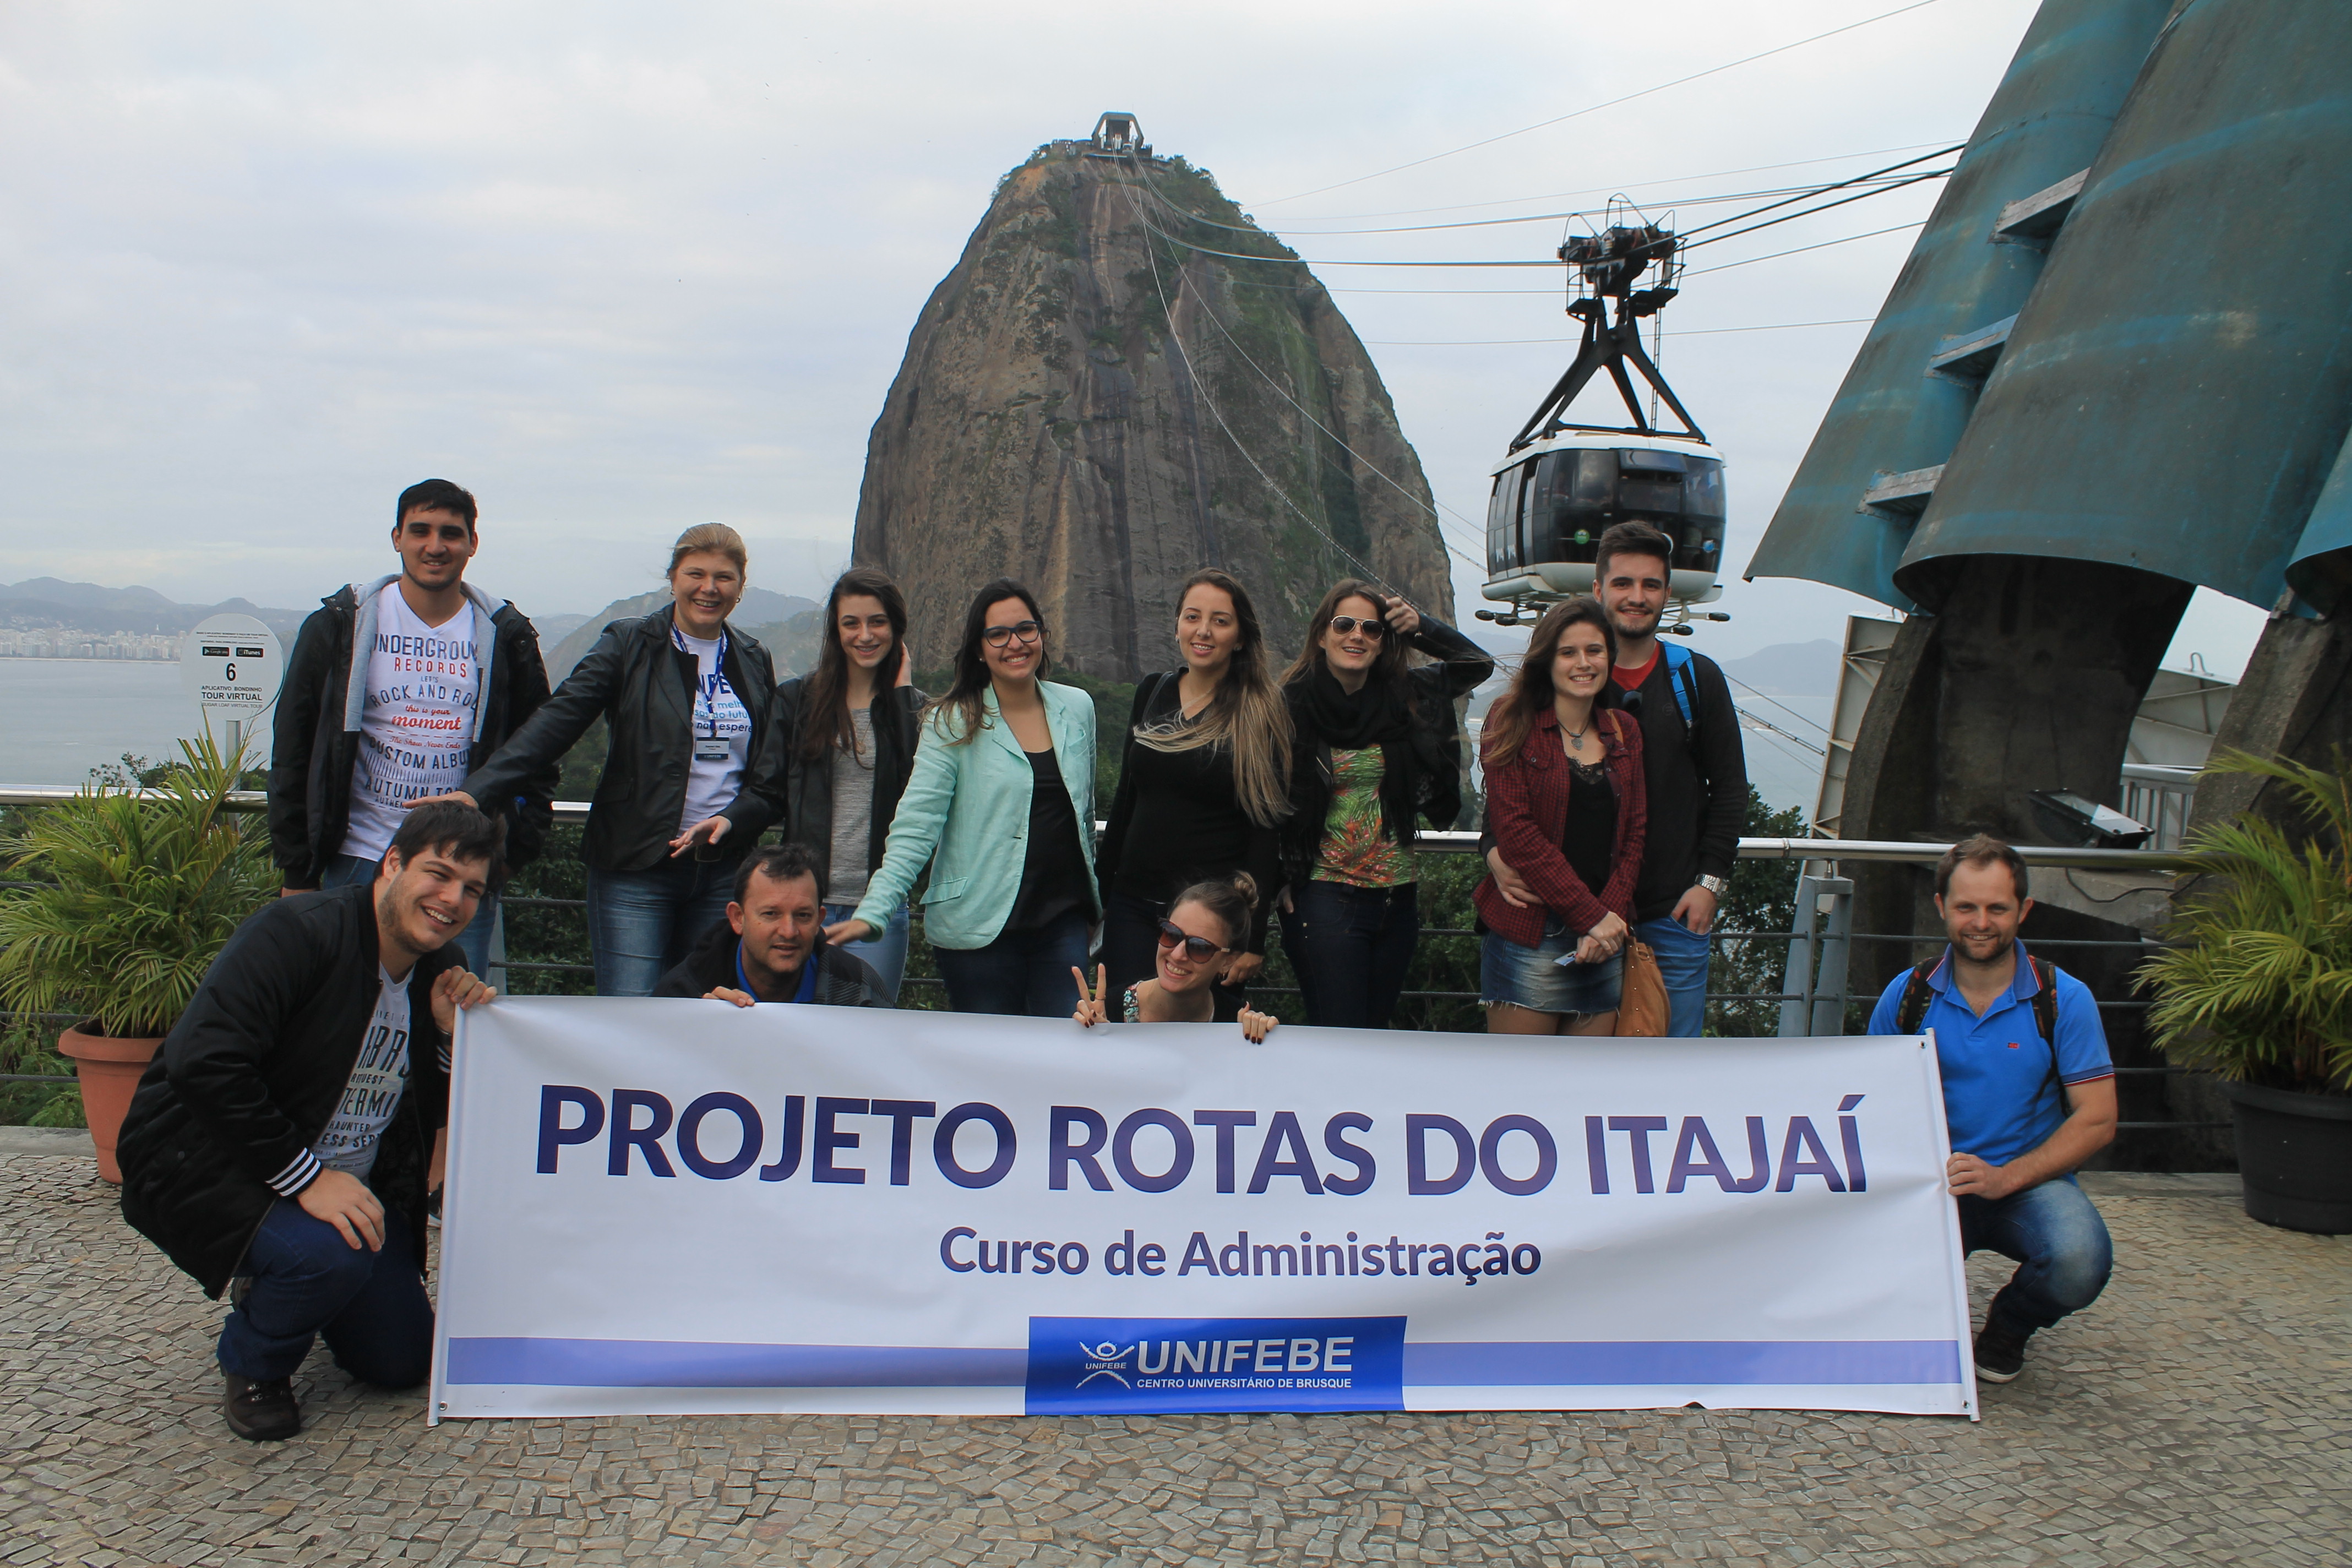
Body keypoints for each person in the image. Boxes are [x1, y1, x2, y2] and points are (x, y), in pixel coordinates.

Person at [114, 802, 503, 1442]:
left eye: (472, 889)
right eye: (438, 874)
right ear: (393, 862)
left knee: (400, 1361)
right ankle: (255, 1363)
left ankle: (291, 1276)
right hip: (216, 1164)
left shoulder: (442, 964)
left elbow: (415, 1116)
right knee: (326, 1257)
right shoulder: (298, 931)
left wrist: (444, 1038)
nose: (452, 899)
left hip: (346, 1180)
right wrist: (308, 1180)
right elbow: (202, 1060)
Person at [419, 524, 786, 996]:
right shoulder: (630, 644)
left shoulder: (753, 658)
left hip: (722, 869)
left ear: (740, 587)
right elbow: (559, 720)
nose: (709, 588)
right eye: (696, 573)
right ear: (673, 578)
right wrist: (479, 790)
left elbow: (767, 775)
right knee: (630, 1012)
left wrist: (732, 820)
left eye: (724, 577)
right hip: (636, 868)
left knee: (708, 1014)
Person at [269, 477, 555, 976]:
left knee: (452, 1014)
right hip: (355, 855)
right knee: (337, 1006)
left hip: (460, 864)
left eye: (451, 533)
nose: (435, 546)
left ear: (472, 544)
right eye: (420, 530)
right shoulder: (342, 626)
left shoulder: (505, 636)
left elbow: (539, 747)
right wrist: (298, 870)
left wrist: (513, 853)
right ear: (397, 537)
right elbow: (293, 748)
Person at [1866, 834, 2117, 1384]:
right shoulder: (1906, 995)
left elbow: (2097, 1117)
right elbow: (1868, 1100)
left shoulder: (2063, 998)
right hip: (1928, 1186)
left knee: (2079, 1260)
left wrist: (2007, 1177)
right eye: (1966, 906)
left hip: (2026, 1183)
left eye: (1997, 907)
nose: (1981, 921)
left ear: (2023, 910)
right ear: (1942, 907)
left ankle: (2009, 1324)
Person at [1487, 521, 1746, 1036]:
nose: (1637, 597)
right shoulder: (1559, 699)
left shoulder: (1694, 680)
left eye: (1651, 585)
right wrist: (1493, 851)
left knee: (1661, 1071)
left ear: (1667, 594)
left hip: (1669, 911)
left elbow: (1730, 791)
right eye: (1624, 583)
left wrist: (1710, 884)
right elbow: (1515, 807)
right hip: (1575, 914)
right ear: (1599, 589)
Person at [830, 579, 1098, 1017]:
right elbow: (917, 825)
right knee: (988, 1064)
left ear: (1043, 636)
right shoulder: (951, 720)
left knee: (1064, 1051)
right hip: (977, 928)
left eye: (1025, 630)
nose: (1015, 644)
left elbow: (1083, 815)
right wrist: (874, 911)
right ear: (979, 648)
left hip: (1061, 922)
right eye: (998, 634)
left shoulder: (1077, 707)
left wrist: (1095, 901)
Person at [1278, 579, 1494, 1029]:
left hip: (1396, 898)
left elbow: (1477, 664)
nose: (1357, 635)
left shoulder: (1405, 697)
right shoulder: (1288, 704)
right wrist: (1274, 879)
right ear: (1322, 635)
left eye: (1372, 629)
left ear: (1383, 642)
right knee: (1339, 1034)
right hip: (1323, 895)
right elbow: (1264, 801)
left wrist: (1420, 628)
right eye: (1344, 624)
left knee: (1374, 1036)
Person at [1096, 569, 1290, 1022]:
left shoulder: (1259, 711)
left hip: (1209, 926)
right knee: (1125, 1025)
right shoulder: (1153, 691)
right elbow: (1126, 802)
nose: (1203, 631)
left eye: (1220, 621)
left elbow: (1266, 831)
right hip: (1134, 906)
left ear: (1240, 636)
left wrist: (1252, 939)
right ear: (1178, 625)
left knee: (1204, 1039)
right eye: (1192, 617)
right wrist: (1098, 897)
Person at [1473, 598, 1647, 1035]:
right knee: (1522, 1092)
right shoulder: (1511, 720)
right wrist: (1590, 916)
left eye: (1595, 650)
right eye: (1568, 652)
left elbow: (1635, 835)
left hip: (1604, 942)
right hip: (1531, 937)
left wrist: (1608, 921)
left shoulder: (1624, 730)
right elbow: (1516, 832)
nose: (1583, 663)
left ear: (1610, 656)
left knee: (1586, 1097)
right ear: (1547, 659)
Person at [772, 568, 925, 1001]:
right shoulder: (796, 701)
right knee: (795, 1032)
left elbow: (920, 794)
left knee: (869, 1035)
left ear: (896, 627)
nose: (865, 635)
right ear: (835, 630)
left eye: (877, 622)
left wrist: (901, 697)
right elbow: (766, 791)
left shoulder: (915, 710)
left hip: (878, 908)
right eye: (851, 623)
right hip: (802, 906)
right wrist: (727, 821)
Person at [655, 842, 892, 1007]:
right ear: (738, 918)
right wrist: (702, 1029)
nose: (789, 932)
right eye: (771, 914)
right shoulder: (686, 992)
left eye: (803, 916)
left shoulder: (857, 985)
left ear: (820, 920)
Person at [1072, 873, 1280, 1043]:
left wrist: (1262, 1039)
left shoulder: (1236, 1025)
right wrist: (1095, 1044)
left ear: (1228, 961)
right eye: (1171, 934)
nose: (1178, 954)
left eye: (1200, 947)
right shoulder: (1108, 1011)